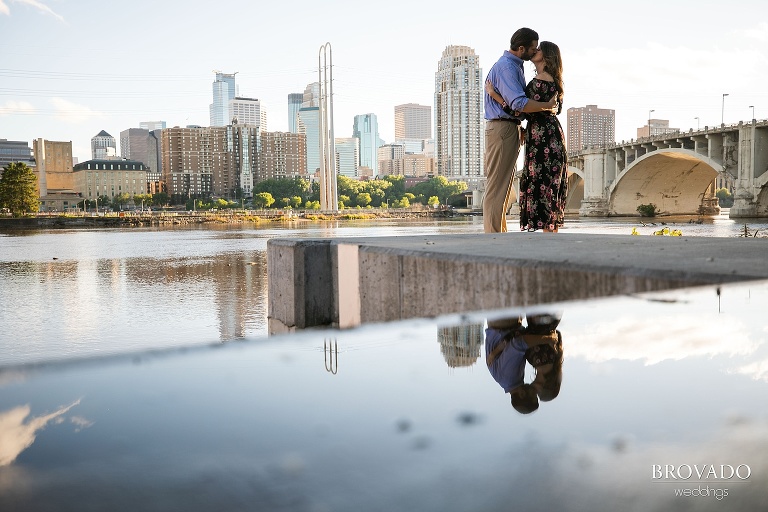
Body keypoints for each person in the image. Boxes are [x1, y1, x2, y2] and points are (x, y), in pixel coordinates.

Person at [486, 41, 568, 232]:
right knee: (551, 182)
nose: (535, 51)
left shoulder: (537, 83)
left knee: (539, 181)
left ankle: (545, 232)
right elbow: (555, 110)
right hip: (554, 134)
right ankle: (551, 231)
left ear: (546, 56)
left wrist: (494, 94)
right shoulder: (556, 82)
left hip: (539, 137)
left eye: (539, 49)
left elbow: (519, 109)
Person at [485, 312, 564, 414]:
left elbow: (517, 343)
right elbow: (516, 343)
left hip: (503, 320)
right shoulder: (511, 380)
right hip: (506, 322)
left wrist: (547, 339)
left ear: (522, 394)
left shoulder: (509, 378)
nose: (535, 391)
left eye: (533, 394)